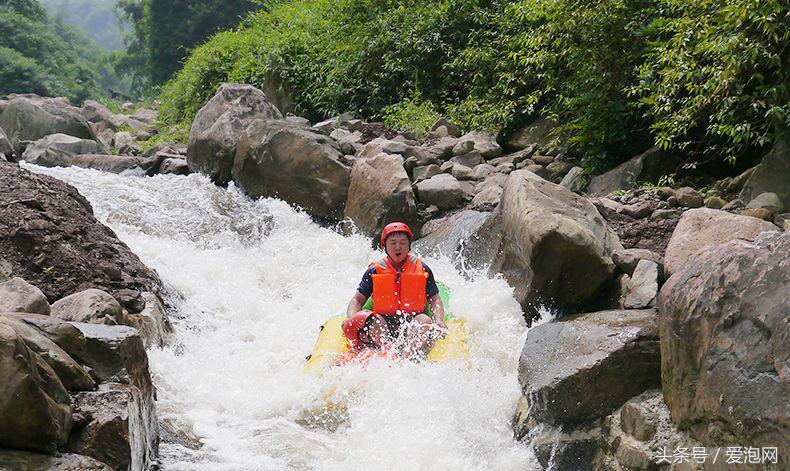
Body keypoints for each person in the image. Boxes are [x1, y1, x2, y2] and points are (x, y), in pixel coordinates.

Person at [342, 222, 446, 358]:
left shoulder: (423, 269)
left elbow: (435, 299)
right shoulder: (374, 271)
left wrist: (439, 320)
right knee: (372, 319)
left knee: (424, 320)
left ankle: (405, 358)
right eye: (392, 243)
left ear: (409, 245)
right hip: (383, 325)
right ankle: (383, 352)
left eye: (403, 242)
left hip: (413, 322)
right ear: (384, 246)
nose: (398, 247)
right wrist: (352, 319)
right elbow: (357, 300)